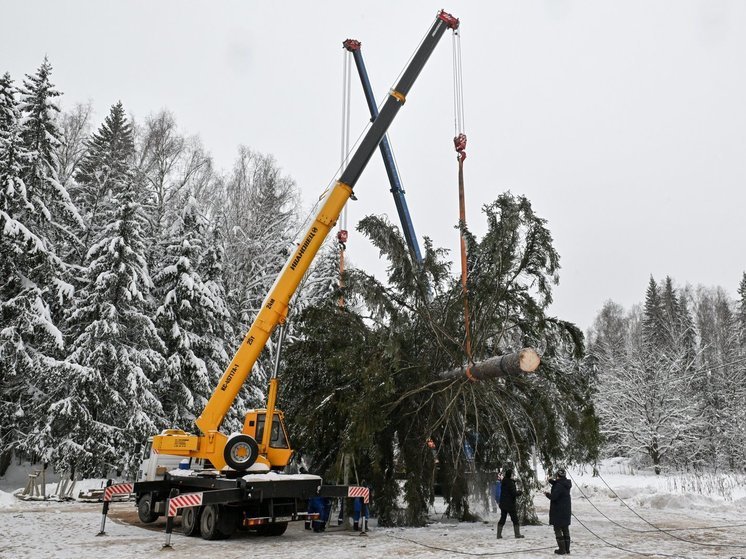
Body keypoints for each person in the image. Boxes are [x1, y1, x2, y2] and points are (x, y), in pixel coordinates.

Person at [545, 468, 572, 555]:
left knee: (557, 528)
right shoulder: (565, 483)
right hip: (566, 510)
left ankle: (562, 549)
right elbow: (558, 484)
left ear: (558, 476)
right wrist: (550, 481)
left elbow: (554, 497)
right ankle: (567, 549)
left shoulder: (559, 485)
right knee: (565, 528)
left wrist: (547, 494)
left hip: (558, 510)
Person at [497, 469, 524, 539]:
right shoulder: (510, 483)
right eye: (512, 474)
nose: (513, 475)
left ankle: (498, 534)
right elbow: (513, 493)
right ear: (510, 475)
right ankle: (517, 534)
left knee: (502, 518)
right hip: (510, 504)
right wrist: (519, 492)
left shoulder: (504, 481)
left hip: (503, 504)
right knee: (515, 519)